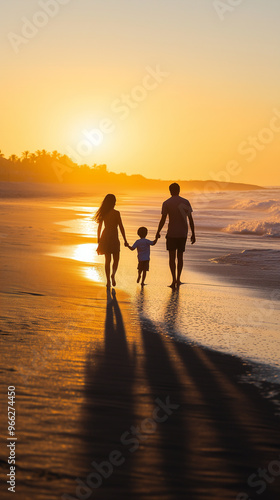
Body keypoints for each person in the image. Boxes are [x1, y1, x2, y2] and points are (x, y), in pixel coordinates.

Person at [156, 183, 196, 288]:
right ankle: (178, 279)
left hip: (172, 233)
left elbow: (163, 219)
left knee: (172, 257)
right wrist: (193, 234)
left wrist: (158, 231)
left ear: (170, 191)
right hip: (183, 233)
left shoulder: (166, 203)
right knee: (180, 257)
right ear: (179, 190)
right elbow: (190, 219)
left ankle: (173, 279)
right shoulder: (186, 202)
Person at [94, 194, 128, 288]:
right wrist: (125, 240)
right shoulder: (116, 213)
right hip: (113, 236)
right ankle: (112, 275)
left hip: (105, 236)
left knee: (107, 260)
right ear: (113, 202)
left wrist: (99, 240)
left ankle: (109, 280)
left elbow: (99, 228)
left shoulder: (104, 212)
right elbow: (121, 227)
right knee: (116, 259)